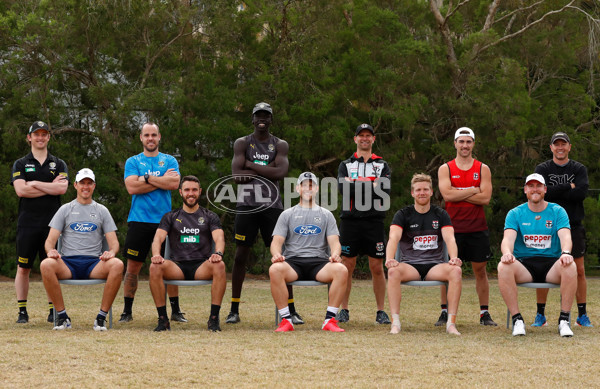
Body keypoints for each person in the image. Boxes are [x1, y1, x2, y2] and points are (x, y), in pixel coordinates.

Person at [227, 102, 301, 324]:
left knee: (280, 257)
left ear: (271, 119)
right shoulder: (242, 143)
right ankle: (234, 309)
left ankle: (291, 310)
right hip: (246, 205)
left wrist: (250, 164)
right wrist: (265, 170)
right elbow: (237, 177)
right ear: (252, 119)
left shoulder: (280, 144)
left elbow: (280, 172)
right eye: (258, 115)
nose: (262, 119)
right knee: (241, 256)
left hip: (272, 206)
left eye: (266, 116)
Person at [40, 168, 123, 331]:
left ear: (94, 186)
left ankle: (101, 318)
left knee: (118, 264)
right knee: (46, 265)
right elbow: (49, 242)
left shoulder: (102, 210)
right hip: (68, 264)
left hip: (94, 264)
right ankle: (62, 317)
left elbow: (114, 244)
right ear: (75, 185)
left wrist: (111, 253)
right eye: (82, 183)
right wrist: (51, 251)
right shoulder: (65, 209)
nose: (86, 187)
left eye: (89, 183)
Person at [498, 173, 577, 337]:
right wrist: (507, 253)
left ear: (545, 189)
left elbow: (566, 236)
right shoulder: (515, 213)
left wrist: (566, 253)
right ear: (525, 190)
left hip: (551, 265)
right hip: (525, 266)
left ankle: (564, 321)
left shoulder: (557, 211)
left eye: (539, 186)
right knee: (503, 266)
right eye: (531, 186)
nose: (535, 189)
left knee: (570, 265)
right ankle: (517, 320)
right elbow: (508, 239)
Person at [385, 173, 462, 335]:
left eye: (425, 189)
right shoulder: (403, 214)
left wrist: (454, 257)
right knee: (392, 271)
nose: (422, 192)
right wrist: (390, 259)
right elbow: (393, 238)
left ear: (431, 192)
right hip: (410, 266)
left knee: (456, 271)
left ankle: (451, 323)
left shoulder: (440, 214)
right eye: (418, 190)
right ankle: (396, 323)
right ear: (412, 193)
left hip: (435, 266)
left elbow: (450, 238)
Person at [269, 172, 347, 332]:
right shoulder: (287, 214)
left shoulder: (326, 215)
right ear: (298, 188)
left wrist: (335, 254)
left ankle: (330, 320)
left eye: (311, 185)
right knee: (275, 269)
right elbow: (276, 242)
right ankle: (286, 320)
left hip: (319, 263)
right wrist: (276, 254)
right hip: (293, 263)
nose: (307, 188)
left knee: (341, 270)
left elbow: (335, 243)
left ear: (317, 189)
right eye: (304, 185)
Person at [120, 122, 181, 323]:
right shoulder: (133, 161)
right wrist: (159, 180)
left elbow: (174, 183)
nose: (150, 138)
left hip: (165, 222)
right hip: (139, 220)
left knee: (169, 266)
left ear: (159, 136)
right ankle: (127, 311)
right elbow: (131, 188)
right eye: (146, 135)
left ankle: (176, 311)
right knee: (133, 268)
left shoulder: (169, 160)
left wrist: (144, 179)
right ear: (141, 138)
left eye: (154, 134)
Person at [149, 176, 226, 332]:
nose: (191, 193)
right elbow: (158, 238)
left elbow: (219, 238)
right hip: (177, 267)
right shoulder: (170, 216)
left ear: (200, 192)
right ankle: (163, 320)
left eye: (194, 190)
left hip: (201, 267)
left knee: (220, 266)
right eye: (187, 190)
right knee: (154, 267)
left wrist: (218, 253)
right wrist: (156, 254)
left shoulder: (210, 216)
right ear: (180, 192)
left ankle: (213, 319)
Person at [437, 127, 496, 326]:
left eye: (468, 142)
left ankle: (484, 313)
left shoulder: (482, 169)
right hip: (452, 229)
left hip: (477, 227)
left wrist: (458, 191)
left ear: (473, 144)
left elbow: (485, 198)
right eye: (461, 141)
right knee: (449, 270)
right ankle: (445, 312)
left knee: (480, 271)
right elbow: (447, 196)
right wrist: (473, 190)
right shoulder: (446, 168)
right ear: (455, 143)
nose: (465, 145)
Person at [11, 120, 69, 324]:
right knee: (23, 268)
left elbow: (61, 189)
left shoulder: (59, 163)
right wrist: (48, 186)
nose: (40, 137)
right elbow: (20, 190)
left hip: (52, 225)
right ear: (29, 138)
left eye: (44, 134)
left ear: (48, 138)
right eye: (36, 134)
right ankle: (22, 311)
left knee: (50, 266)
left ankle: (53, 310)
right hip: (27, 223)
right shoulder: (20, 163)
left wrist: (34, 183)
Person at [533, 132, 591, 327]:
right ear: (551, 147)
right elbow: (540, 194)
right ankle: (540, 315)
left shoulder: (579, 168)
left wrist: (554, 191)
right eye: (556, 144)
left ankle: (582, 315)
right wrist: (568, 186)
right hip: (546, 225)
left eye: (563, 144)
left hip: (573, 226)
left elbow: (580, 194)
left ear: (569, 147)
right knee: (543, 268)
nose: (560, 147)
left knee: (579, 270)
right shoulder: (542, 169)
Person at [336, 123, 392, 325]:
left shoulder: (382, 165)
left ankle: (380, 311)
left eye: (369, 135)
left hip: (374, 221)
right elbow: (344, 190)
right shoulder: (345, 164)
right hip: (350, 221)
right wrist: (371, 184)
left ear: (374, 139)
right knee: (346, 266)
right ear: (355, 139)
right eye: (361, 136)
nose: (365, 138)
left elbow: (384, 191)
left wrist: (356, 183)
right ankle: (343, 309)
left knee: (376, 266)